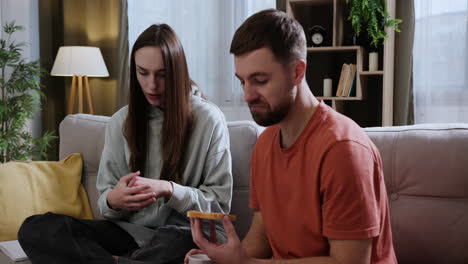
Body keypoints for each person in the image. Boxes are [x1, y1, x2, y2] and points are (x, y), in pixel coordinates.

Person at [187, 9, 397, 264]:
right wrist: (223, 259)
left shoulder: (343, 150)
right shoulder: (265, 144)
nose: (248, 94)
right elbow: (262, 234)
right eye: (242, 82)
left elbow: (349, 262)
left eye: (260, 80)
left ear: (297, 72)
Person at [18, 24, 233, 264]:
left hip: (183, 233)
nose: (151, 85)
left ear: (177, 72)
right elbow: (105, 204)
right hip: (129, 233)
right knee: (37, 228)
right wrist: (114, 200)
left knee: (175, 241)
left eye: (162, 75)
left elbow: (219, 206)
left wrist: (170, 190)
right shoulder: (121, 121)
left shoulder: (209, 119)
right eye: (143, 73)